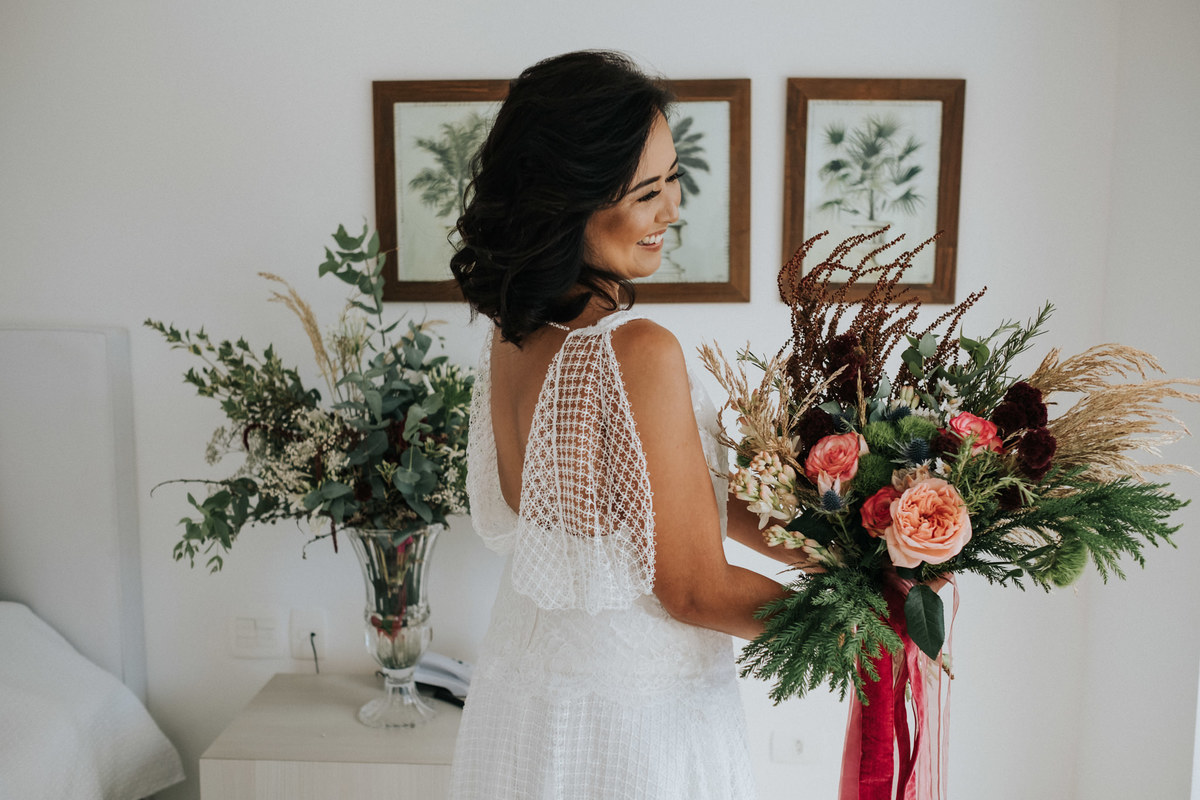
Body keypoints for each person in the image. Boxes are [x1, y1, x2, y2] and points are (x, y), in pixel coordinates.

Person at [448, 50, 793, 800]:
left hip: (524, 706)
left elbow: (674, 507)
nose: (672, 208)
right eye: (647, 191)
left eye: (673, 178)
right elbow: (694, 589)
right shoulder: (634, 351)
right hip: (635, 735)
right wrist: (863, 625)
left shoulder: (513, 338)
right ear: (567, 202)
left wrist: (857, 547)